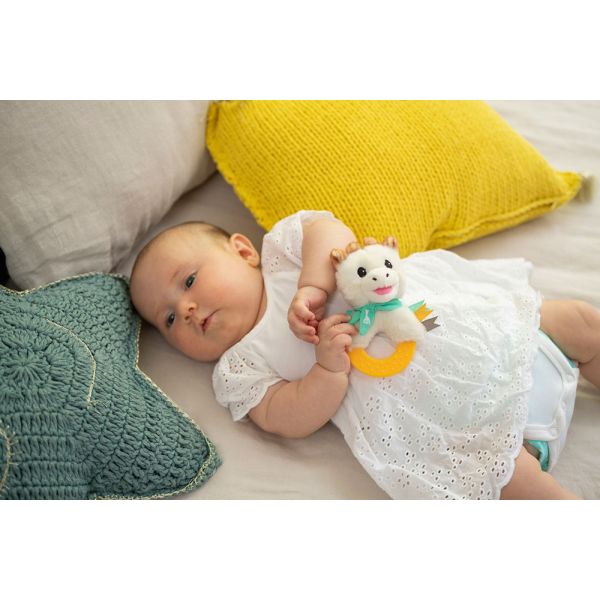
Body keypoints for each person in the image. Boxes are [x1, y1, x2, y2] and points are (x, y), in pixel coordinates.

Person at [129, 210, 600, 500]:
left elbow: (329, 230)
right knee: (504, 479)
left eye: (188, 281)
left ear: (242, 250)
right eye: (167, 319)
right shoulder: (239, 366)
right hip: (445, 417)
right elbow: (284, 417)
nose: (185, 309)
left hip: (459, 330)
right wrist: (327, 371)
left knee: (576, 321)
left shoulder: (283, 257)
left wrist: (313, 287)